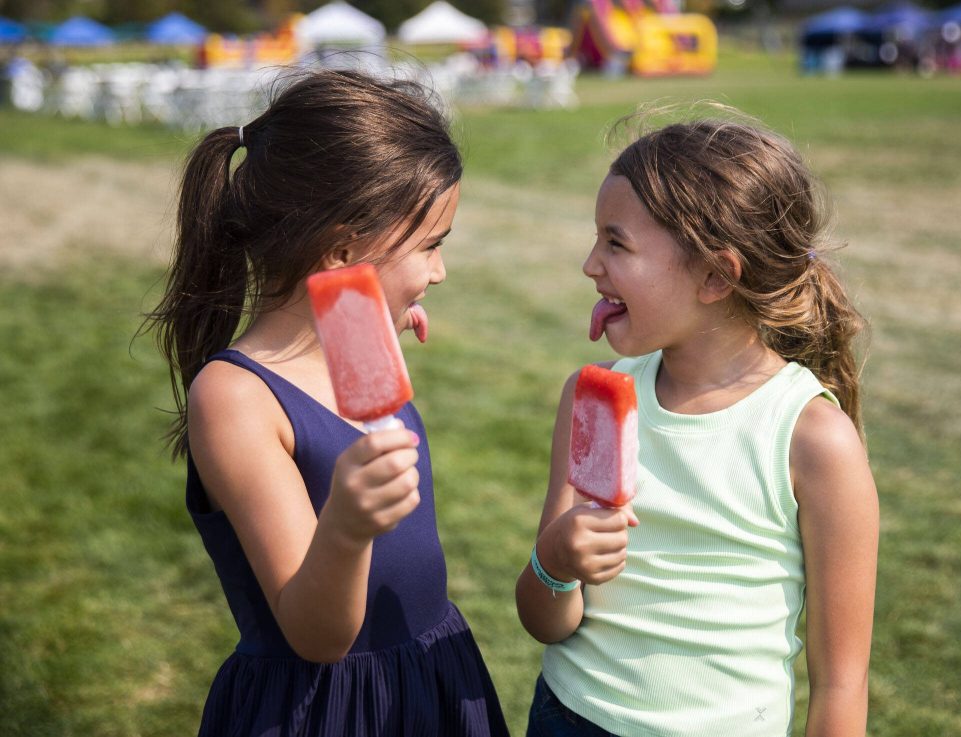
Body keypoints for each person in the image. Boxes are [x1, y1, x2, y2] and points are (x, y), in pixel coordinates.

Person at [145, 69, 509, 737]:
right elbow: (316, 634)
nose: (439, 271)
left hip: (430, 673)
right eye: (431, 246)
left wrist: (382, 326)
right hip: (327, 708)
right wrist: (345, 524)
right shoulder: (234, 397)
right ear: (343, 248)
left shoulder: (360, 349)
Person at [516, 114, 879, 737]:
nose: (589, 265)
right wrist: (554, 561)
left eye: (616, 243)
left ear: (716, 275)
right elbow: (545, 621)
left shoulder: (813, 439)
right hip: (571, 717)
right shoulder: (595, 398)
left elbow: (841, 684)